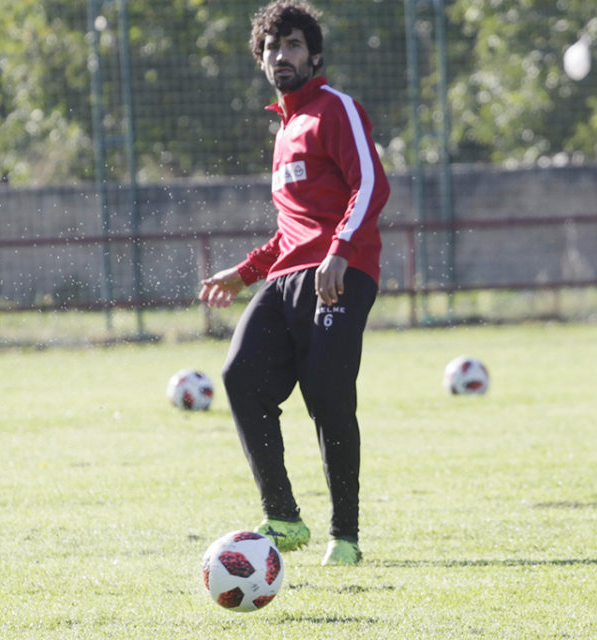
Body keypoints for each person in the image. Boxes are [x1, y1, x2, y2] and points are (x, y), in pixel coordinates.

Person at [198, 0, 390, 565]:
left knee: (327, 396)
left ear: (315, 55)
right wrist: (245, 273)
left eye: (294, 45)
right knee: (239, 375)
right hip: (285, 280)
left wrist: (339, 253)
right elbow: (290, 232)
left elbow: (371, 184)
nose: (281, 55)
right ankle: (283, 515)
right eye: (272, 48)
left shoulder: (336, 110)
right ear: (261, 60)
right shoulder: (284, 134)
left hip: (340, 275)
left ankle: (345, 536)